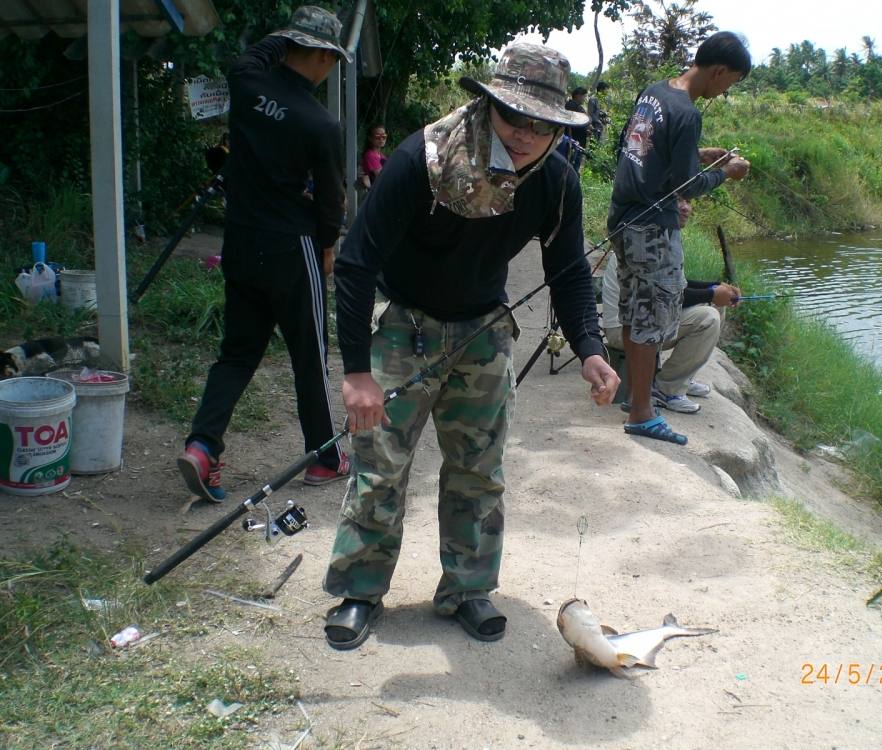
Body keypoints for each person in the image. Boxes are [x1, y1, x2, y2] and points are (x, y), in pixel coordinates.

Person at [322, 42, 620, 650]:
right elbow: (355, 264)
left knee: (479, 470)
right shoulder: (420, 159)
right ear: (488, 105)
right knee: (380, 467)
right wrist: (357, 372)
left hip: (483, 330)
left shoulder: (557, 181)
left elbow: (566, 271)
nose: (526, 135)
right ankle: (360, 591)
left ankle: (467, 587)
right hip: (403, 320)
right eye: (514, 117)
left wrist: (590, 347)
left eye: (545, 124)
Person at [178, 6, 353, 503]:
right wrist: (327, 245)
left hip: (240, 240)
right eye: (331, 59)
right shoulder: (320, 123)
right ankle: (324, 458)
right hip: (292, 248)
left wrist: (285, 37)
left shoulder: (247, 82)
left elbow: (254, 56)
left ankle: (202, 446)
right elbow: (331, 201)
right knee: (309, 355)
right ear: (321, 56)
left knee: (236, 354)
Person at [607, 31, 751, 444]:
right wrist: (726, 172)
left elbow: (643, 148)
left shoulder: (654, 93)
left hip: (624, 218)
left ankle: (637, 403)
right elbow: (685, 186)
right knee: (653, 317)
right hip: (653, 228)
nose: (725, 91)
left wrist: (700, 155)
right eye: (731, 82)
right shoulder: (688, 112)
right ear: (719, 70)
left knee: (635, 313)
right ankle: (642, 413)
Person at [602, 199, 741, 415]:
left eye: (689, 200)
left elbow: (677, 284)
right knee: (708, 317)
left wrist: (716, 287)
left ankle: (681, 379)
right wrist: (713, 293)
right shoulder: (648, 240)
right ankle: (666, 389)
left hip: (646, 319)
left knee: (714, 303)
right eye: (678, 201)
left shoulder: (664, 235)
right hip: (623, 330)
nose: (685, 207)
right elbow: (662, 296)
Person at [560, 86, 589, 171]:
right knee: (570, 166)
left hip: (578, 141)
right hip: (573, 141)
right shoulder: (571, 105)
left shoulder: (579, 107)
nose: (584, 98)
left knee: (575, 165)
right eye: (584, 96)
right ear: (578, 95)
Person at [359, 124, 388, 190]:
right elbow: (382, 176)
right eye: (377, 137)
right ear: (370, 138)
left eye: (384, 136)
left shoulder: (381, 155)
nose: (381, 139)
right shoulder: (370, 155)